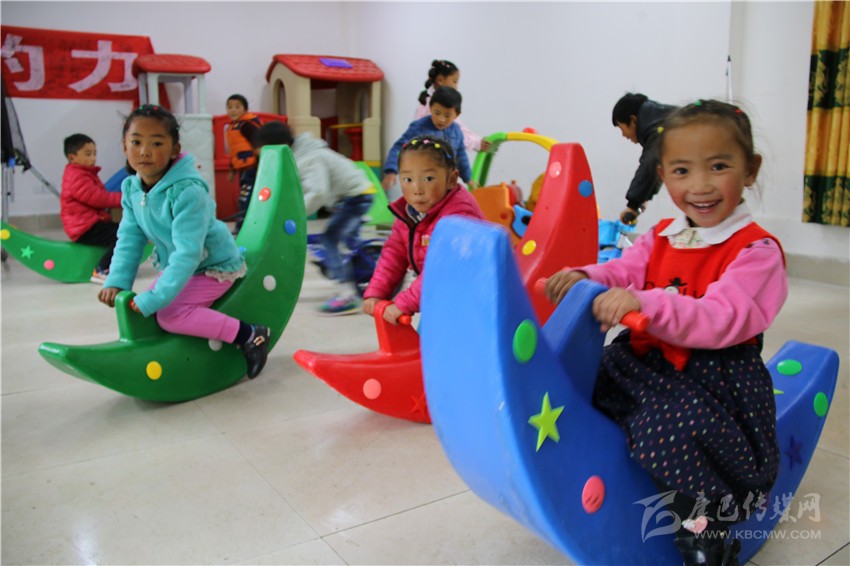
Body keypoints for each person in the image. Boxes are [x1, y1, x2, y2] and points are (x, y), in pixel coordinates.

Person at [546, 100, 786, 566]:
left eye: (719, 166)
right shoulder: (661, 235)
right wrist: (585, 277)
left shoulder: (756, 251)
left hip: (713, 375)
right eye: (681, 170)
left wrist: (645, 303)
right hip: (646, 359)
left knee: (672, 430)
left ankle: (705, 529)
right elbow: (623, 270)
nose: (700, 185)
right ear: (662, 175)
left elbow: (721, 317)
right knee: (580, 381)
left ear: (750, 169)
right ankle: (607, 479)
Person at [99, 105, 271, 379]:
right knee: (147, 307)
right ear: (124, 146)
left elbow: (189, 253)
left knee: (170, 313)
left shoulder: (188, 192)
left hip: (212, 266)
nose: (145, 151)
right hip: (181, 265)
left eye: (157, 143)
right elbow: (129, 237)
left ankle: (250, 335)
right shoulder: (132, 188)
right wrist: (117, 280)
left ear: (174, 149)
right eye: (136, 142)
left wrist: (158, 297)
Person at [252, 121, 376, 315]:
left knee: (331, 239)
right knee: (348, 243)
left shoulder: (311, 158)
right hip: (347, 197)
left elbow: (318, 192)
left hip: (356, 196)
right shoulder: (298, 156)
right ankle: (366, 274)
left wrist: (295, 213)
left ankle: (348, 296)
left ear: (278, 147)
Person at [365, 134, 486, 324]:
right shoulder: (410, 212)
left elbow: (443, 268)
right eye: (407, 179)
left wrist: (405, 302)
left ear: (452, 179)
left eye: (428, 178)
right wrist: (377, 292)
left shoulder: (459, 216)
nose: (417, 189)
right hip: (444, 295)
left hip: (475, 298)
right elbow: (395, 253)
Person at [382, 86, 476, 191]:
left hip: (446, 184)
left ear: (456, 115)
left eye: (447, 115)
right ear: (430, 108)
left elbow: (461, 156)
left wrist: (468, 178)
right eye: (437, 113)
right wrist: (391, 171)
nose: (441, 119)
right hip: (422, 184)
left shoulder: (456, 131)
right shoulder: (419, 128)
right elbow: (399, 148)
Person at [60, 133, 123, 284]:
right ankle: (102, 269)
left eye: (94, 154)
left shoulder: (84, 173)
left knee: (122, 230)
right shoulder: (78, 177)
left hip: (90, 223)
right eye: (88, 154)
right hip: (85, 227)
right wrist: (124, 199)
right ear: (72, 157)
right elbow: (98, 198)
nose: (93, 158)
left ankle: (113, 263)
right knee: (122, 235)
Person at [612, 92, 677, 224]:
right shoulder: (665, 121)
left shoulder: (659, 130)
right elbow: (657, 167)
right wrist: (643, 199)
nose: (623, 135)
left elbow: (650, 163)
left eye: (621, 128)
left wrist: (633, 205)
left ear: (633, 120)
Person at [414, 59, 490, 153]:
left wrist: (477, 141)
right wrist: (476, 143)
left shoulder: (431, 101)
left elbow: (458, 128)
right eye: (454, 81)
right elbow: (453, 133)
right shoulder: (434, 105)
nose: (456, 86)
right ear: (440, 80)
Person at [225, 94, 263, 229]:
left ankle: (242, 227)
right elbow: (235, 152)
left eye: (237, 107)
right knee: (248, 196)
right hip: (244, 169)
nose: (233, 110)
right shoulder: (233, 127)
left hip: (252, 168)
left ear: (245, 109)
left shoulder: (246, 125)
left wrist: (260, 162)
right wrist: (232, 170)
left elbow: (258, 142)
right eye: (230, 107)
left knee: (245, 198)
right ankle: (250, 225)